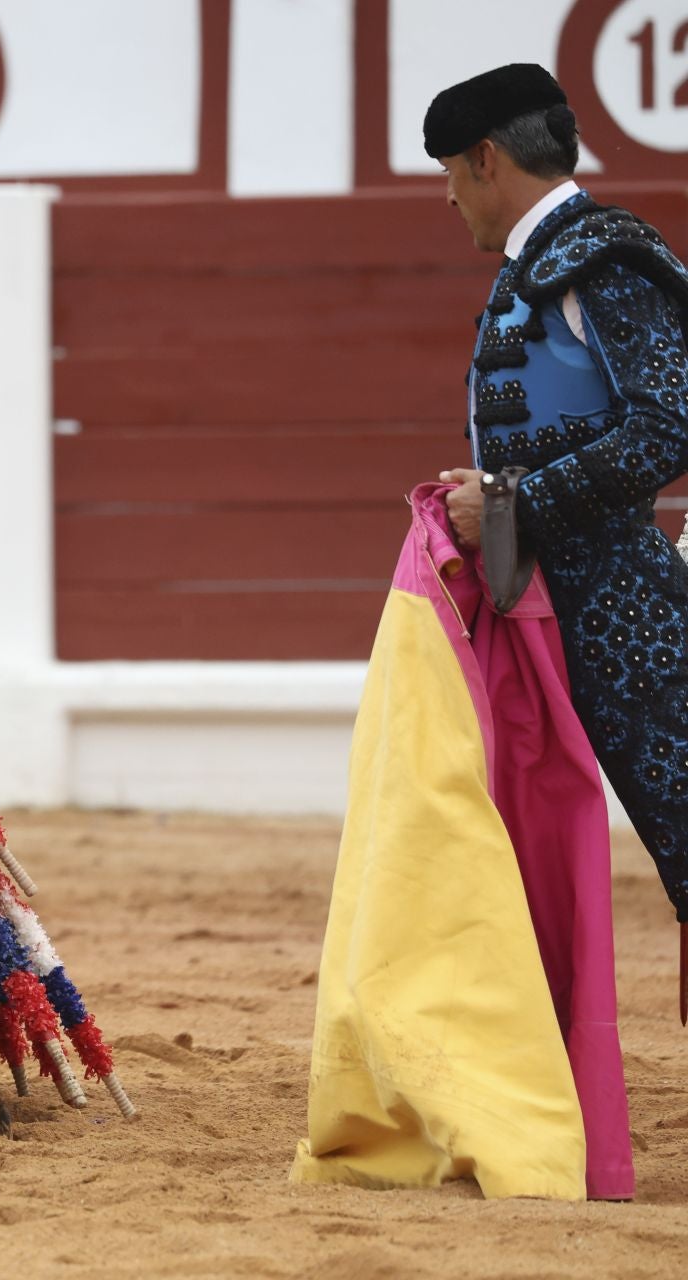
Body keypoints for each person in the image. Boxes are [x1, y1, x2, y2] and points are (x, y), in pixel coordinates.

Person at [295, 63, 688, 1202]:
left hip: (621, 608)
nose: (448, 201)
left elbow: (675, 419)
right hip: (546, 609)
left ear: (487, 162)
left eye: (448, 177)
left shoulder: (600, 262)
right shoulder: (547, 270)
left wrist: (516, 503)